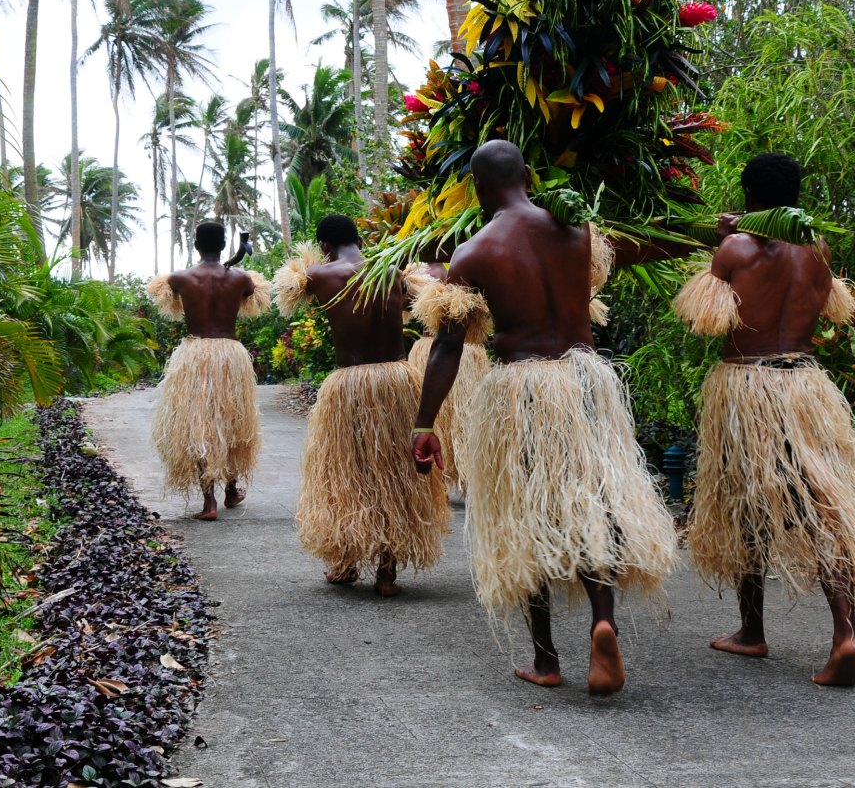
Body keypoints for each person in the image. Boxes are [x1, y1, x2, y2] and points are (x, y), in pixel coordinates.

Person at [411, 140, 698, 696]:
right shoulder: (578, 233)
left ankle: (546, 659)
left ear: (477, 187)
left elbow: (447, 348)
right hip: (587, 380)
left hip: (523, 388)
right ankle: (602, 621)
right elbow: (634, 252)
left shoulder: (472, 253)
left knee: (528, 512)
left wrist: (425, 424)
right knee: (591, 501)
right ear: (527, 176)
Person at [672, 152, 855, 687]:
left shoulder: (736, 249)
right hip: (806, 384)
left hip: (747, 387)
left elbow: (705, 320)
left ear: (749, 194)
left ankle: (752, 630)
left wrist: (724, 243)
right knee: (822, 506)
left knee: (747, 504)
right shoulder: (818, 249)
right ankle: (845, 633)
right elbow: (829, 307)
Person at [277, 215, 449, 597]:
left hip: (349, 384)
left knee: (347, 472)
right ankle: (387, 573)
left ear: (324, 245)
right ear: (357, 238)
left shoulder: (319, 275)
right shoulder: (393, 271)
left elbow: (296, 289)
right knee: (394, 471)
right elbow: (417, 304)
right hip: (397, 380)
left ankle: (345, 563)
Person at [147, 221, 272, 521]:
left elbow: (166, 294)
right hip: (231, 355)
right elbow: (252, 292)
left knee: (201, 427)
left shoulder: (180, 278)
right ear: (223, 244)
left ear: (196, 246)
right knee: (231, 420)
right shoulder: (240, 279)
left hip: (196, 355)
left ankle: (209, 503)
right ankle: (231, 489)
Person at [405, 245, 489, 498]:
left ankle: (441, 479)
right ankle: (465, 475)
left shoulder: (417, 272)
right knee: (463, 415)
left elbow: (408, 310)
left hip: (436, 349)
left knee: (440, 418)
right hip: (467, 351)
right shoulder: (465, 264)